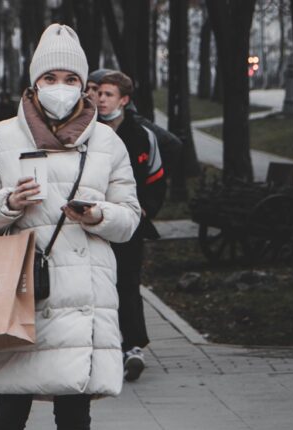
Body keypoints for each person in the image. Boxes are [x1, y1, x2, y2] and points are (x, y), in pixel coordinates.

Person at [0, 24, 141, 429]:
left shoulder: (107, 143)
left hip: (81, 293)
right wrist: (7, 203)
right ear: (34, 82)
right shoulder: (0, 138)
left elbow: (130, 218)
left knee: (74, 411)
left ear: (83, 86)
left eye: (69, 79)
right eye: (49, 78)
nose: (59, 87)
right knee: (9, 411)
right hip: (20, 292)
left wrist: (99, 215)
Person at [95, 71, 167, 382]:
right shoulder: (88, 132)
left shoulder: (141, 135)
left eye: (108, 94)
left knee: (128, 282)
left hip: (130, 224)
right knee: (98, 286)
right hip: (94, 223)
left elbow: (156, 176)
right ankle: (102, 347)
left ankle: (133, 346)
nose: (101, 99)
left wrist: (145, 208)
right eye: (98, 93)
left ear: (124, 100)